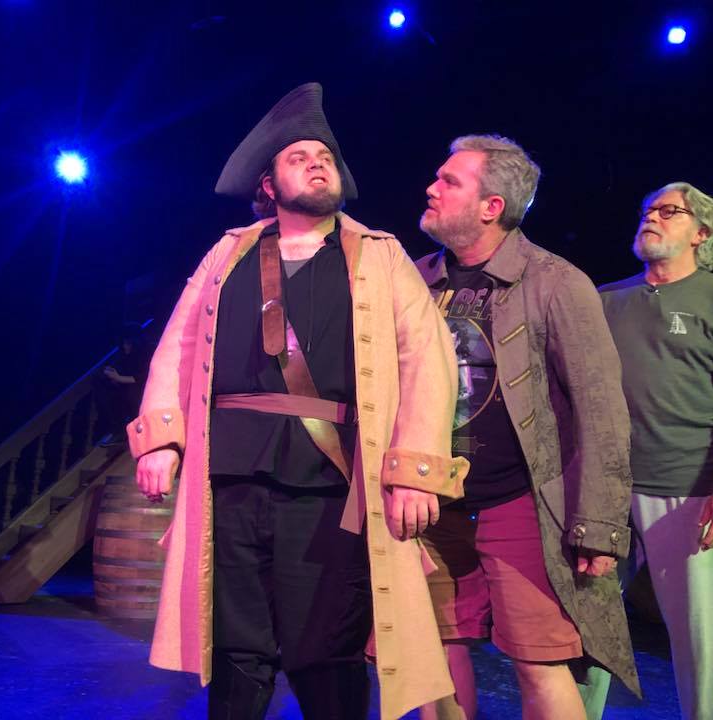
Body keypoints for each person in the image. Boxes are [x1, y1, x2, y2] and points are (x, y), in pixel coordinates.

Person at [126, 82, 469, 720]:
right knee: (236, 646)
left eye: (325, 157)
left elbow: (428, 361)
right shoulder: (227, 255)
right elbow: (179, 345)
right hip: (229, 479)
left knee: (327, 646)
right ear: (269, 183)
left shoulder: (380, 256)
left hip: (331, 483)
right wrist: (162, 439)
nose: (317, 165)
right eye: (299, 157)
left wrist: (415, 470)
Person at [413, 134, 641, 719]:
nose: (431, 188)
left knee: (540, 663)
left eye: (449, 181)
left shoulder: (555, 282)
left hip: (520, 503)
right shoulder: (415, 281)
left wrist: (600, 525)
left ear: (491, 206)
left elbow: (601, 410)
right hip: (431, 500)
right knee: (432, 657)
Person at [598, 182, 713, 719]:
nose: (652, 218)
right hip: (605, 492)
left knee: (702, 642)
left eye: (669, 211)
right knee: (586, 629)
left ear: (701, 233)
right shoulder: (605, 299)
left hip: (689, 491)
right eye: (648, 210)